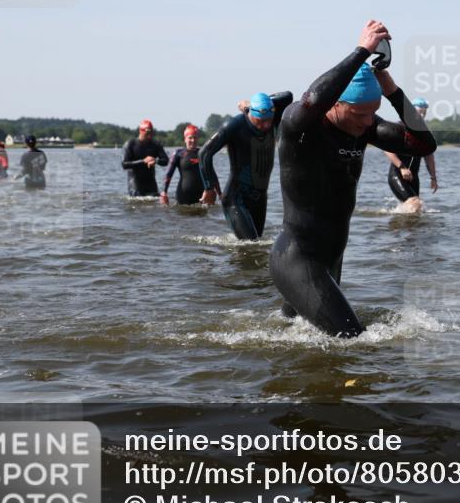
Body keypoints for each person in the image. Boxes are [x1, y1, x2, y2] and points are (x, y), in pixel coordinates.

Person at [270, 20, 437, 337]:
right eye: (359, 114)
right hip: (298, 258)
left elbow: (425, 144)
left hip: (331, 259)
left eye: (372, 113)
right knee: (352, 340)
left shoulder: (365, 128)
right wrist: (361, 51)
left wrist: (391, 90)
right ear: (335, 104)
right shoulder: (300, 126)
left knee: (293, 335)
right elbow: (312, 99)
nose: (367, 121)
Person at [198, 91, 293, 238]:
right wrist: (209, 188)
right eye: (261, 121)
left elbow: (288, 96)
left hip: (260, 199)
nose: (266, 125)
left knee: (257, 246)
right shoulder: (234, 126)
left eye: (269, 120)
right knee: (251, 243)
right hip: (235, 200)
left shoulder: (271, 114)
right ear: (251, 115)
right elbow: (204, 153)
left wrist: (253, 104)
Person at [384, 96, 439, 207]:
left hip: (413, 177)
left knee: (416, 207)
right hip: (398, 174)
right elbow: (387, 150)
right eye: (419, 113)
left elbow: (429, 157)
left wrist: (433, 178)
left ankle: (398, 218)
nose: (421, 116)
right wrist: (402, 167)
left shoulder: (425, 132)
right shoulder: (399, 127)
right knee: (415, 203)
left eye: (424, 113)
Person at [160, 125, 206, 206]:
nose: (193, 140)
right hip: (183, 196)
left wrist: (218, 193)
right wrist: (164, 192)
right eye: (190, 138)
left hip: (201, 196)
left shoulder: (203, 153)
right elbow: (169, 174)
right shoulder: (178, 154)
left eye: (195, 138)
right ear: (185, 139)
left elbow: (211, 174)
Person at [121, 119, 168, 197]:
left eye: (151, 133)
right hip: (135, 183)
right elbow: (124, 164)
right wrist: (143, 161)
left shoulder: (156, 144)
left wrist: (155, 161)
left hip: (151, 182)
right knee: (137, 202)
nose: (150, 135)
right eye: (147, 133)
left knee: (154, 201)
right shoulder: (130, 144)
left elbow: (166, 161)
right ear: (140, 131)